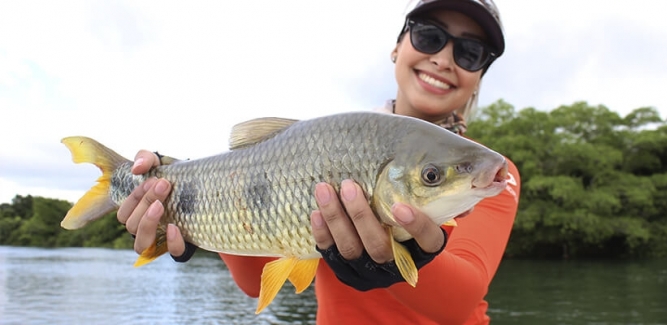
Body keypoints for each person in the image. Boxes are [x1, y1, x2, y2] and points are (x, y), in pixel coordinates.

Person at [117, 0, 521, 324]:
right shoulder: (330, 143)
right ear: (398, 46)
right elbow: (255, 283)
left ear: (481, 73)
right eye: (429, 36)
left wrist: (405, 263)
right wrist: (191, 209)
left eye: (470, 52)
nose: (444, 59)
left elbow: (460, 299)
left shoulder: (488, 172)